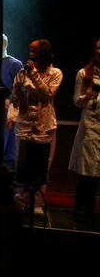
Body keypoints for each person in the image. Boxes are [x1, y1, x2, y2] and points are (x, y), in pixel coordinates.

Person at [8, 39, 63, 216]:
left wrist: (33, 74)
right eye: (30, 51)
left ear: (44, 54)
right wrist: (12, 112)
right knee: (21, 164)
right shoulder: (22, 73)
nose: (30, 54)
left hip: (44, 126)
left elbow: (47, 95)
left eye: (34, 51)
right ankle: (22, 199)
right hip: (24, 125)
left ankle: (37, 203)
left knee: (42, 166)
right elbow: (14, 98)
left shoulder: (55, 73)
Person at [68, 37, 100, 217]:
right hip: (90, 127)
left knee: (96, 171)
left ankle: (89, 211)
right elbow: (76, 101)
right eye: (99, 48)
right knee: (87, 171)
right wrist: (86, 96)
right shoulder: (84, 73)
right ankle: (81, 210)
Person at [2, 33, 23, 171]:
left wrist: (11, 103)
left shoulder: (14, 64)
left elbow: (21, 90)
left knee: (9, 145)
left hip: (8, 112)